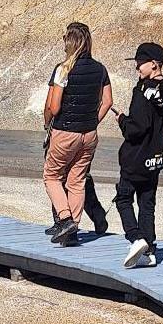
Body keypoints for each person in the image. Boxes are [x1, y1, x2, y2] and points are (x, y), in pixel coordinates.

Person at [42, 22, 112, 245]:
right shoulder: (101, 69)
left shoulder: (63, 69)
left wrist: (47, 126)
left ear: (69, 43)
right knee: (77, 181)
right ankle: (72, 230)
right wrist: (92, 122)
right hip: (89, 134)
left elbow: (53, 107)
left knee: (52, 177)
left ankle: (64, 219)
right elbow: (108, 102)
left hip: (65, 132)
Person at [115, 42, 163, 269]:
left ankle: (135, 237)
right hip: (155, 155)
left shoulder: (141, 92)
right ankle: (149, 250)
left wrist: (122, 119)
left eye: (140, 63)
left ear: (154, 64)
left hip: (136, 156)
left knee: (123, 198)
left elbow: (136, 128)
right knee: (147, 202)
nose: (137, 67)